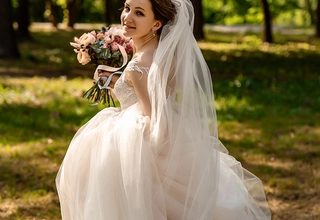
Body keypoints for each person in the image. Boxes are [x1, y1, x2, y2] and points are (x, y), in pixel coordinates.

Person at [56, 0, 272, 219]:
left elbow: (154, 118)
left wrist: (140, 159)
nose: (128, 17)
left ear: (156, 24)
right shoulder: (165, 55)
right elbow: (154, 96)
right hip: (177, 131)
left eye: (139, 13)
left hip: (144, 141)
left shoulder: (138, 65)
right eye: (127, 8)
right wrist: (119, 84)